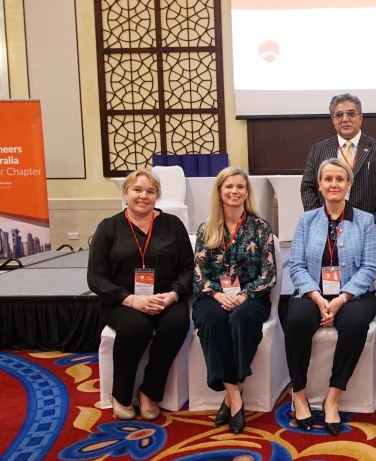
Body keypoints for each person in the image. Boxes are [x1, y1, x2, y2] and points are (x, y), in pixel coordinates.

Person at [87, 169, 194, 421]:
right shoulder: (108, 228)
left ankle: (149, 391)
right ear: (125, 193)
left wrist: (173, 295)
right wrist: (132, 300)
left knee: (178, 323)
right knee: (136, 328)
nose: (143, 196)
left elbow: (188, 269)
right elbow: (96, 277)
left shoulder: (172, 225)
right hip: (121, 301)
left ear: (157, 196)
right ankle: (121, 395)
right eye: (137, 190)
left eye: (150, 191)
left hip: (164, 298)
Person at [285, 158, 376, 435]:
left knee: (356, 324)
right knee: (297, 320)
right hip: (313, 291)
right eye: (328, 179)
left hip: (353, 294)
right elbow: (297, 265)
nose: (334, 184)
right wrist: (316, 297)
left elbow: (369, 267)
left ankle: (333, 398)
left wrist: (341, 299)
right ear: (320, 184)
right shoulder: (307, 220)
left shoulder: (364, 220)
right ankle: (299, 394)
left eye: (340, 179)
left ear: (349, 184)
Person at [192, 167, 277, 433]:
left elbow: (268, 273)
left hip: (251, 296)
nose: (234, 191)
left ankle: (231, 394)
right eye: (229, 186)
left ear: (247, 192)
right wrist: (217, 294)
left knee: (241, 320)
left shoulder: (261, 228)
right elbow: (197, 274)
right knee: (210, 320)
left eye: (240, 187)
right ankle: (235, 395)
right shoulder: (206, 229)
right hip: (213, 295)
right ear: (219, 191)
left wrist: (242, 296)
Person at [300, 93, 376, 266]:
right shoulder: (319, 150)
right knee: (328, 282)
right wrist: (319, 221)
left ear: (360, 118)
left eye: (351, 114)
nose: (345, 119)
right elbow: (308, 187)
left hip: (368, 231)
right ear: (333, 120)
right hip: (327, 230)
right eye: (339, 115)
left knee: (370, 285)